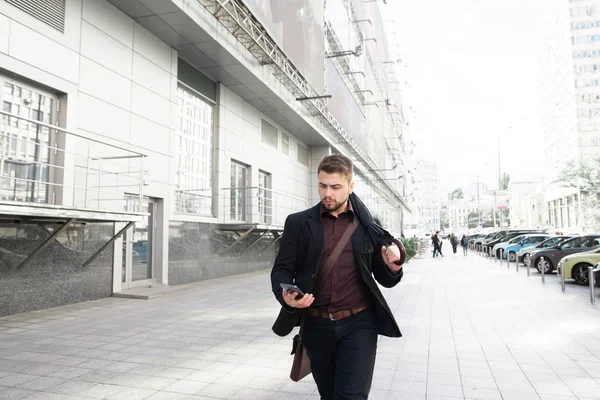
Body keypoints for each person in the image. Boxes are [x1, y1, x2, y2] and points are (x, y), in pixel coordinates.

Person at [271, 154, 406, 400]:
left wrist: (392, 266)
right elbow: (281, 269)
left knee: (351, 396)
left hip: (359, 324)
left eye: (335, 186)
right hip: (316, 325)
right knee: (329, 395)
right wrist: (286, 297)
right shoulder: (298, 223)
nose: (327, 193)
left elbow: (385, 278)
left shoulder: (367, 225)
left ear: (350, 187)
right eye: (322, 185)